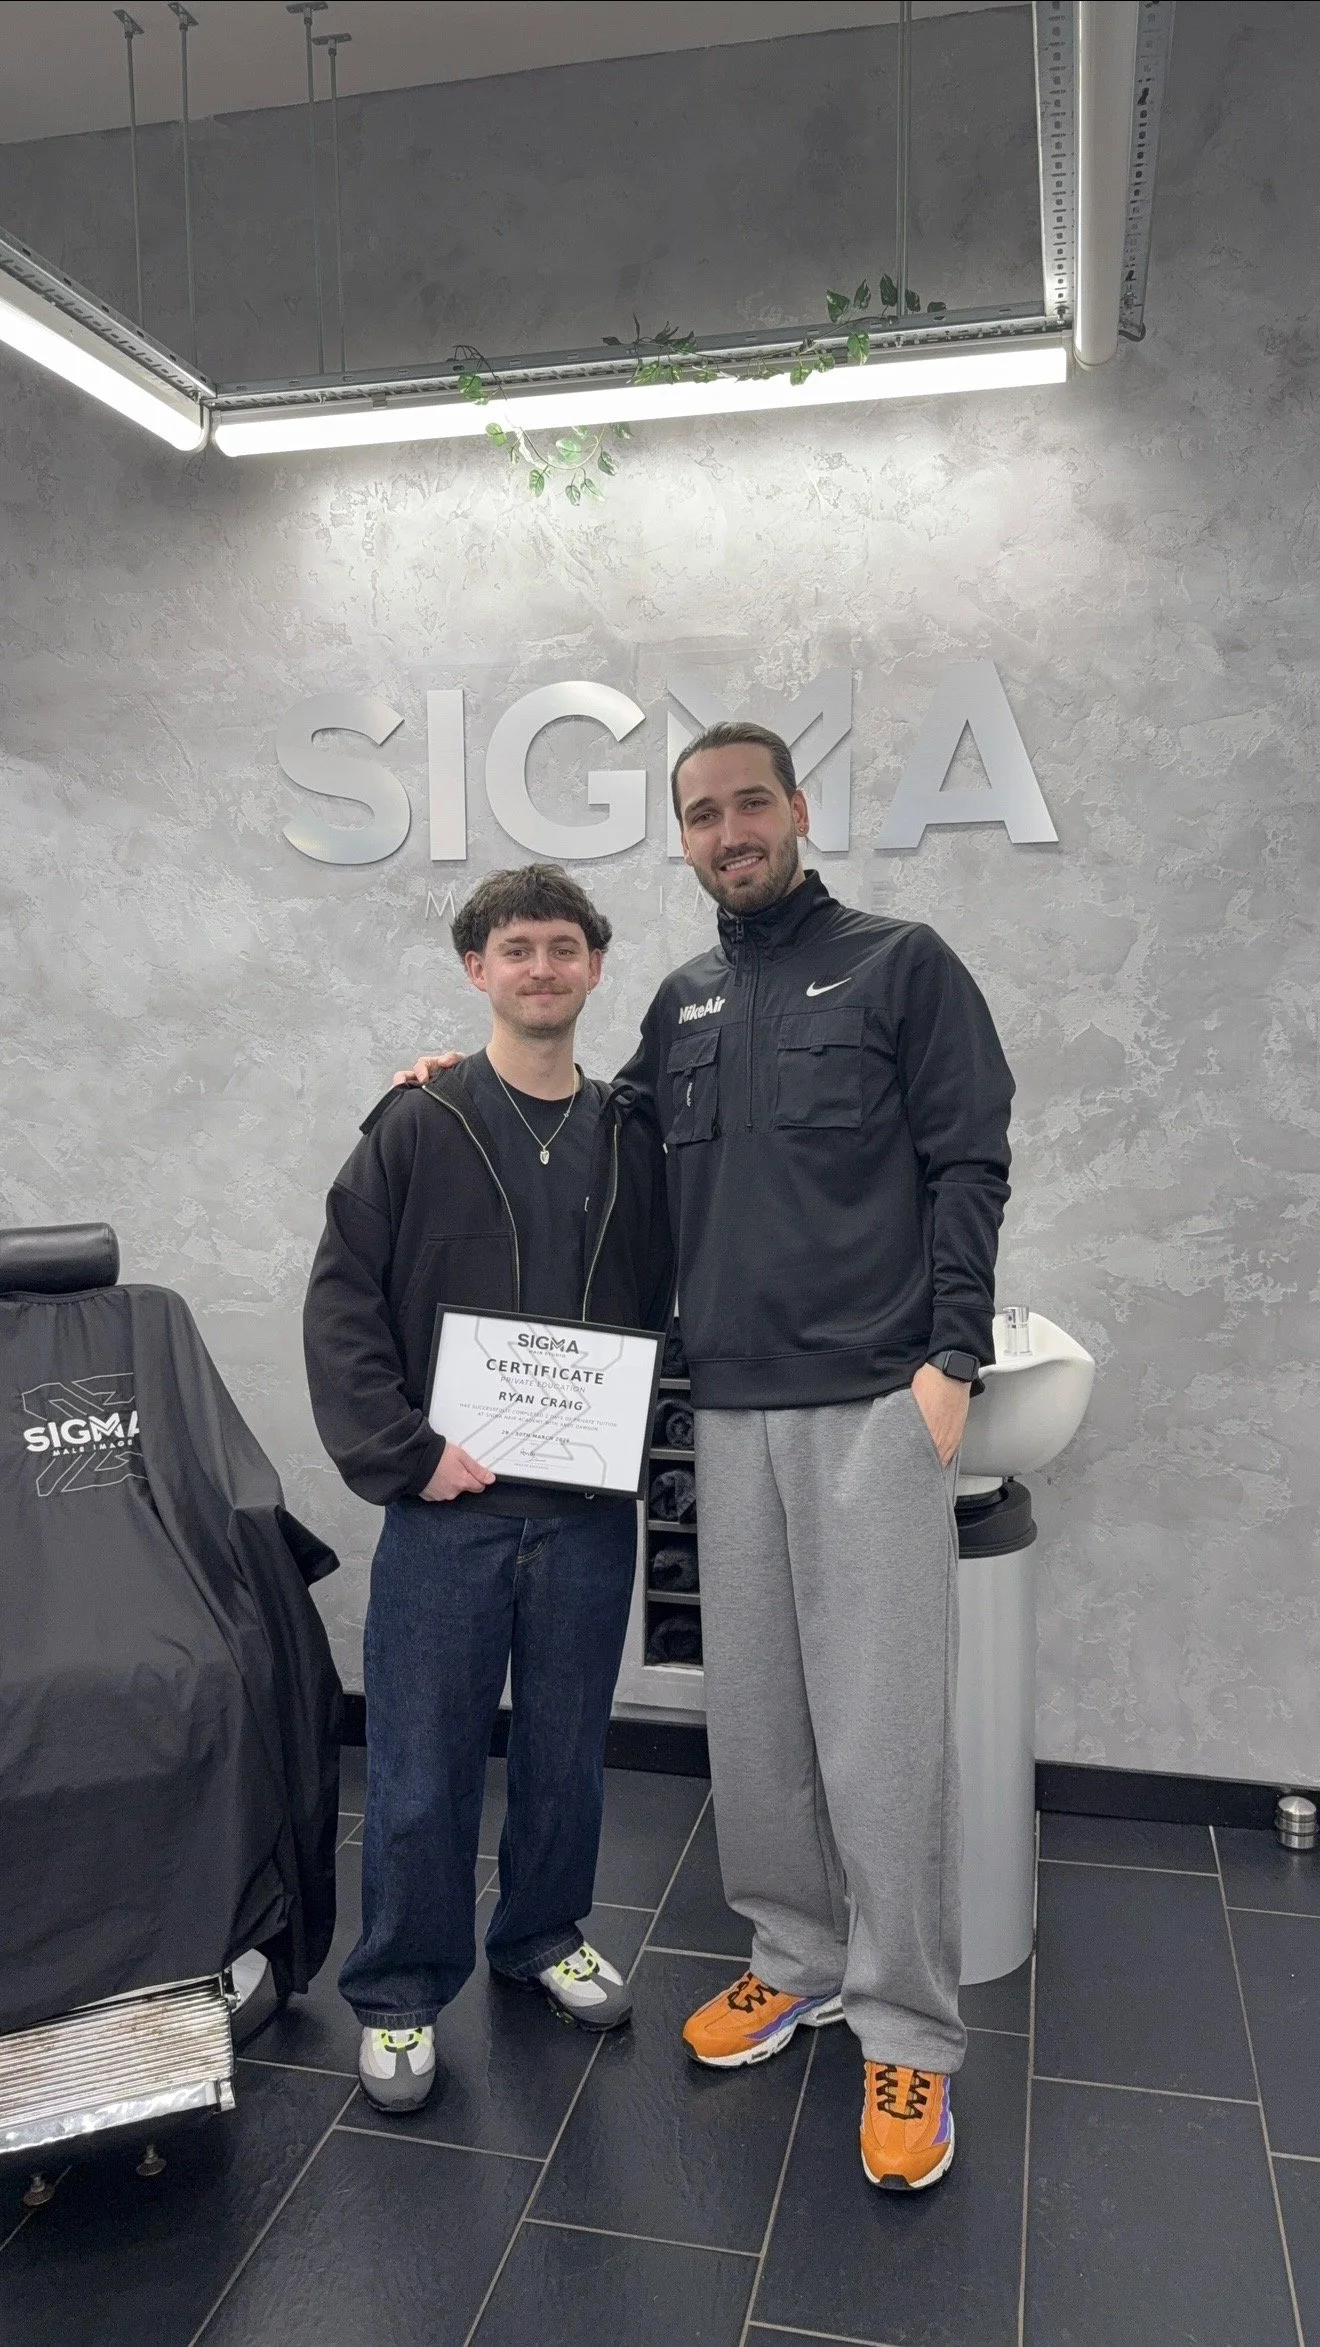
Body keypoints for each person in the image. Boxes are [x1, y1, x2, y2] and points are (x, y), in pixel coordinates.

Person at [399, 723, 1013, 2189]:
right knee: (758, 1720)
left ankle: (912, 2037)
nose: (728, 829)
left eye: (750, 802)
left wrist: (952, 1360)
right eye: (700, 814)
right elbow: (589, 1132)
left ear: (796, 809)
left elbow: (970, 1156)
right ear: (680, 839)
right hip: (719, 1410)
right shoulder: (675, 1001)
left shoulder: (900, 962)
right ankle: (794, 1956)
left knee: (880, 1731)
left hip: (873, 1397)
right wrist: (464, 1081)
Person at [304, 864, 673, 2116]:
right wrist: (408, 1451)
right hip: (447, 1512)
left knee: (567, 1755)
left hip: (582, 1519)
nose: (541, 969)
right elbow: (343, 1306)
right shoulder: (418, 1121)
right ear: (478, 969)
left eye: (563, 948)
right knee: (417, 1762)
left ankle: (542, 1934)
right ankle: (403, 1991)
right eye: (516, 949)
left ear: (594, 967)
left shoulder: (635, 1133)